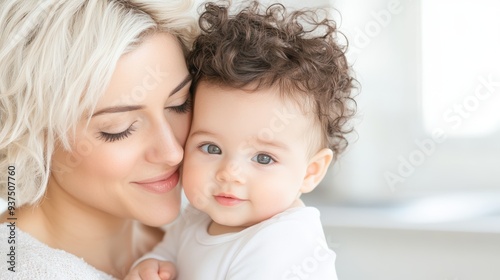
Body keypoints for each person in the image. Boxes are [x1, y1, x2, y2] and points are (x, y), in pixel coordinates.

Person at [126, 1, 356, 279]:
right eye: (211, 148)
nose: (229, 174)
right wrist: (152, 264)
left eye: (263, 158)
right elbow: (168, 252)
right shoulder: (197, 216)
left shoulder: (284, 243)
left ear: (311, 171)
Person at [0, 0, 198, 279]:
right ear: (34, 135)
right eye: (119, 129)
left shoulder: (202, 221)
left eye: (179, 104)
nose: (173, 152)